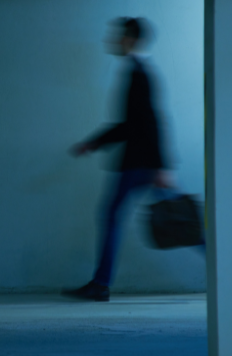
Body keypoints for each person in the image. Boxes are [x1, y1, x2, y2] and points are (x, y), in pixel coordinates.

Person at [63, 17, 172, 302]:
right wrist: (93, 143)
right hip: (141, 162)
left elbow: (149, 121)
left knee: (180, 219)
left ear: (131, 39)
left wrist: (161, 166)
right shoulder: (137, 70)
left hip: (141, 164)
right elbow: (132, 123)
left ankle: (101, 284)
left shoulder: (139, 73)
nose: (111, 40)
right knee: (179, 218)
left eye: (117, 36)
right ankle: (100, 283)